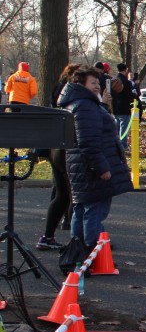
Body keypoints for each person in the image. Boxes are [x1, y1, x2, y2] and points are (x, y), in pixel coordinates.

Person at [58, 65, 132, 252]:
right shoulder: (85, 106)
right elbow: (88, 142)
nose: (97, 86)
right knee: (94, 211)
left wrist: (104, 105)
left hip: (81, 166)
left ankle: (78, 250)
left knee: (82, 209)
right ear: (80, 84)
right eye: (92, 83)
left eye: (97, 82)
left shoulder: (81, 103)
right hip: (91, 168)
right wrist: (102, 168)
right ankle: (92, 252)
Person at [34, 63, 78, 251]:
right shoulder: (76, 96)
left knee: (62, 194)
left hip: (56, 147)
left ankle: (48, 236)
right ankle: (78, 241)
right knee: (75, 196)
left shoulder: (60, 92)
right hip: (67, 148)